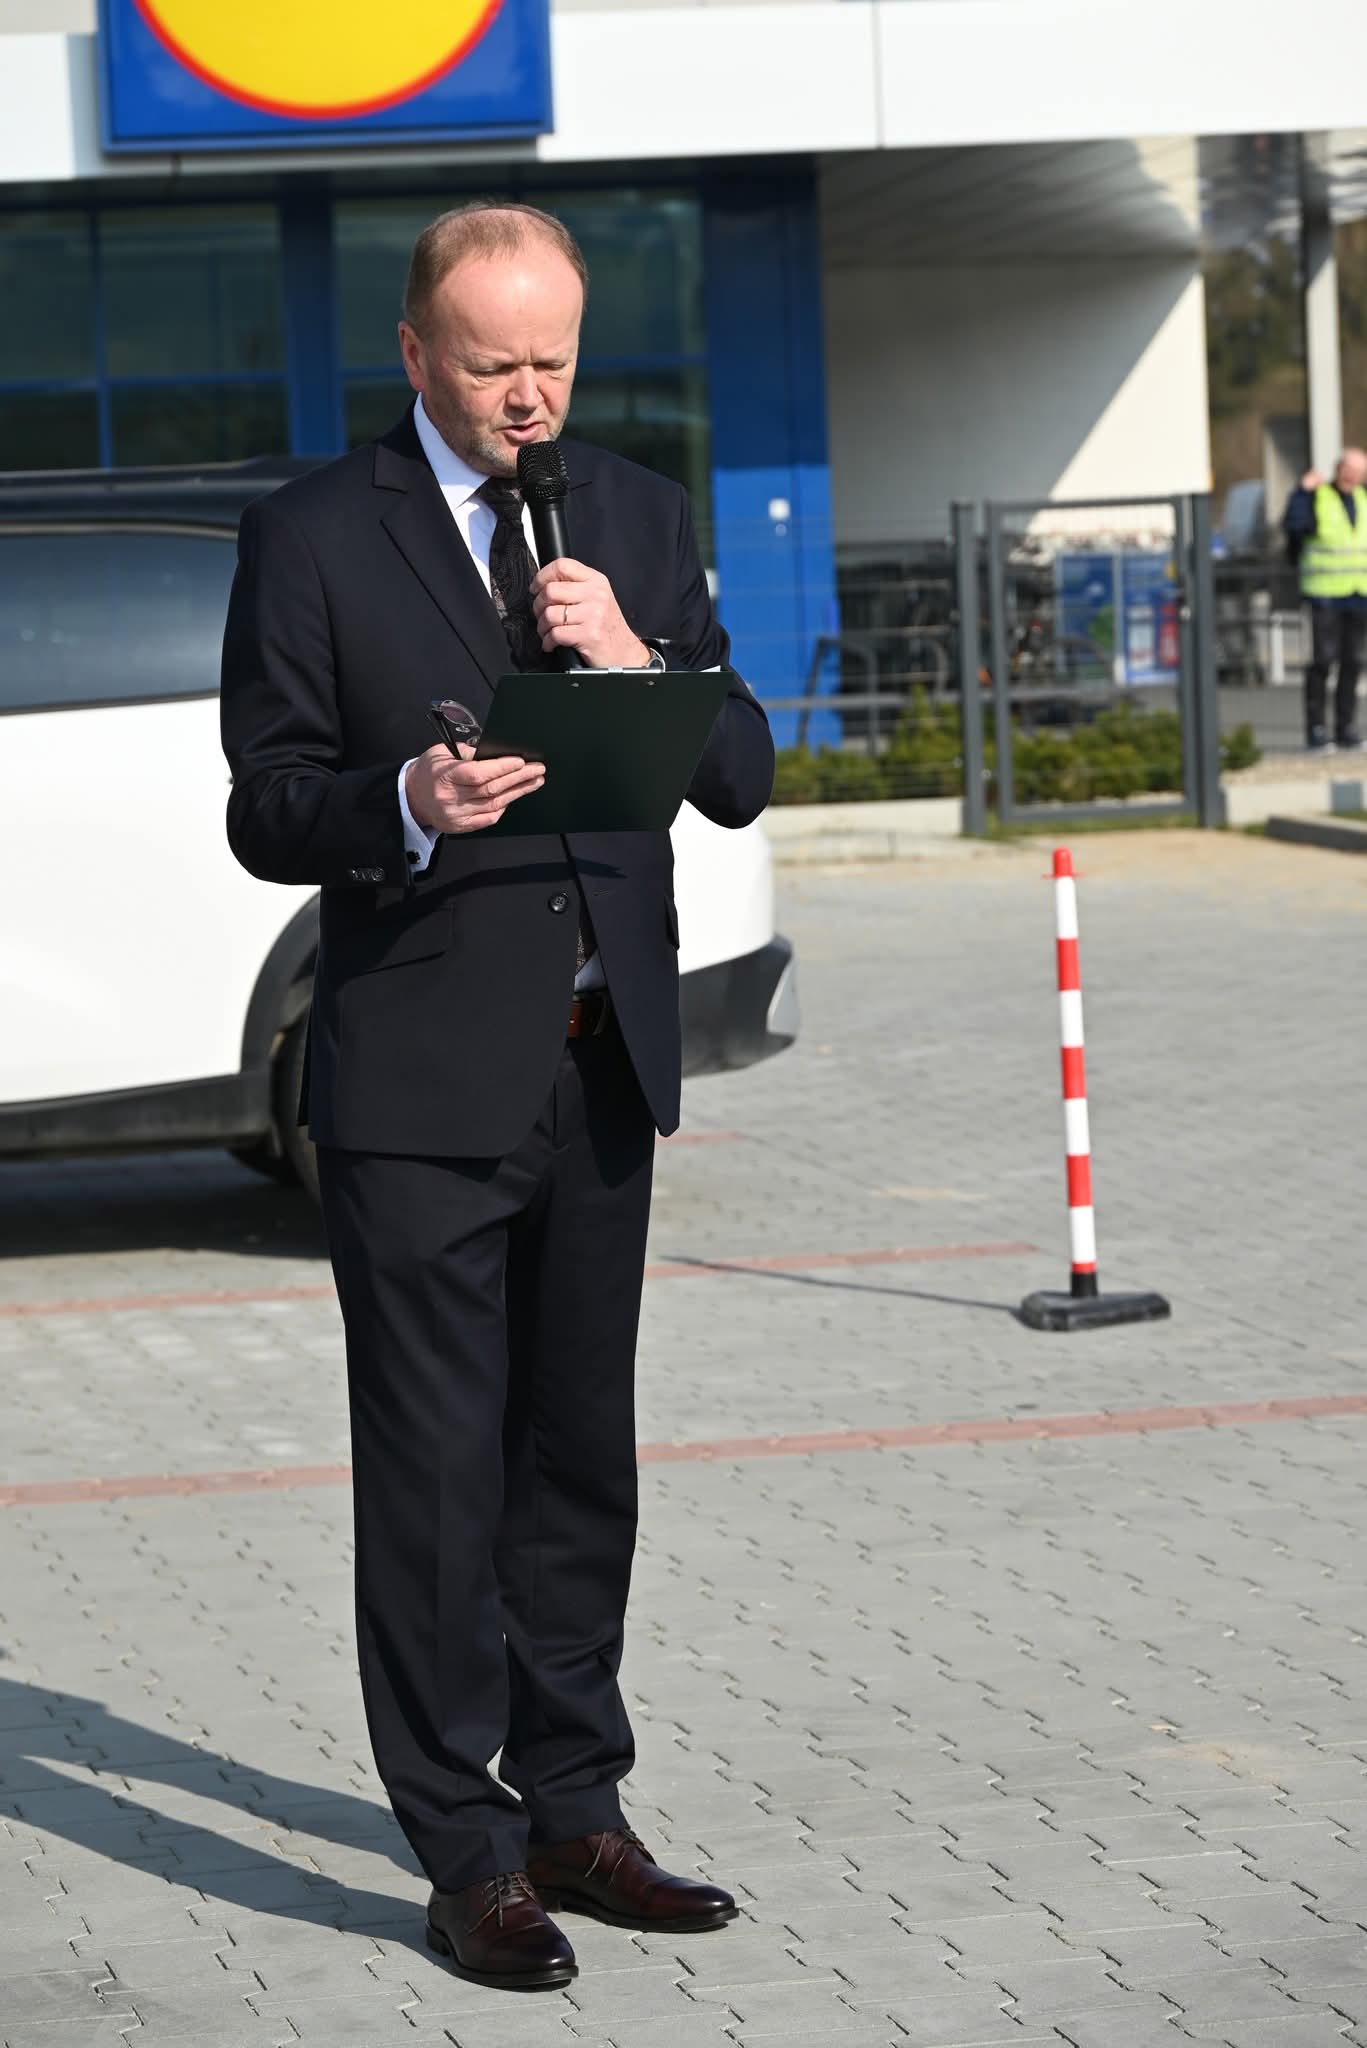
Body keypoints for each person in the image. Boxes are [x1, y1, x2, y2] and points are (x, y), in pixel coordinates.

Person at [220, 202, 774, 1993]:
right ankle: (463, 1852)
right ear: (414, 353)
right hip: (418, 1085)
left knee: (576, 1462)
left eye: (553, 359)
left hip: (599, 1068)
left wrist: (635, 660)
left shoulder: (637, 514)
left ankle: (574, 1808)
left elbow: (741, 771)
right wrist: (401, 801)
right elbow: (263, 802)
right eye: (491, 365)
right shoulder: (315, 533)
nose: (529, 395)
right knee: (438, 1479)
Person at [1283, 447, 1367, 751]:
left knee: (1353, 663)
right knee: (1322, 661)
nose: (1353, 476)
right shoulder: (1318, 497)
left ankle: (1346, 728)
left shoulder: (1363, 499)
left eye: (1360, 471)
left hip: (1358, 592)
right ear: (1338, 468)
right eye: (1349, 469)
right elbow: (1294, 526)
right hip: (1324, 593)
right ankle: (1316, 730)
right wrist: (1302, 492)